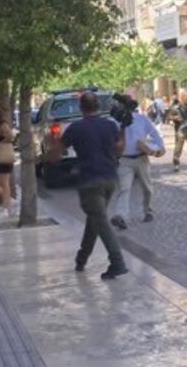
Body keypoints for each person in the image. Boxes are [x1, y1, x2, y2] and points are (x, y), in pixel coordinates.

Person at [45, 92, 127, 279]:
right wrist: (123, 131)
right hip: (110, 179)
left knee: (100, 221)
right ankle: (81, 258)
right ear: (98, 106)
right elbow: (119, 150)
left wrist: (48, 149)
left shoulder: (76, 128)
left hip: (89, 181)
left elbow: (56, 155)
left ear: (81, 108)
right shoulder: (110, 125)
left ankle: (117, 262)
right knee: (95, 219)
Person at [109, 96, 165, 229]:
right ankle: (121, 216)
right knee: (124, 188)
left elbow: (156, 137)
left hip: (141, 158)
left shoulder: (142, 119)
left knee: (147, 188)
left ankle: (148, 211)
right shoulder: (115, 122)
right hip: (124, 160)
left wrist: (153, 149)